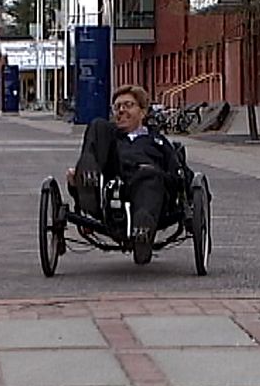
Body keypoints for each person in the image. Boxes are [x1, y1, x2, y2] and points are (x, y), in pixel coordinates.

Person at [67, 84, 182, 265]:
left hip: (147, 182)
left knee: (148, 177)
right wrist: (75, 182)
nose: (121, 111)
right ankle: (88, 178)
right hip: (112, 182)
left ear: (143, 112)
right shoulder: (111, 137)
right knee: (98, 125)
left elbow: (179, 174)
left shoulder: (158, 141)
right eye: (117, 107)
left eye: (128, 105)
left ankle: (142, 232)